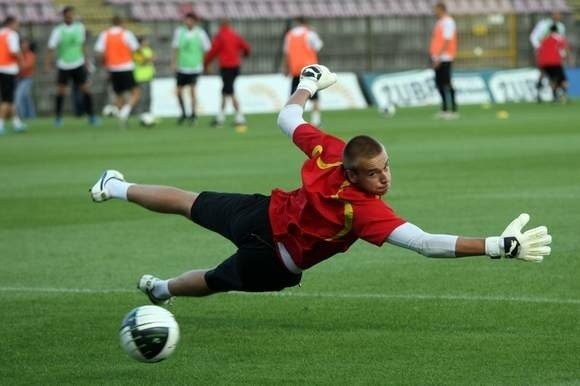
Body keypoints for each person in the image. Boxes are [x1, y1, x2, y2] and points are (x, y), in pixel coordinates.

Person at [89, 64, 552, 304]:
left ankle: (123, 203)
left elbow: (287, 115)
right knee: (206, 256)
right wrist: (496, 245)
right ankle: (156, 276)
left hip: (266, 220)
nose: (385, 177)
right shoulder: (363, 209)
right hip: (274, 249)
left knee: (198, 227)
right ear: (353, 173)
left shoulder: (332, 150)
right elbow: (427, 243)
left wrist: (308, 82)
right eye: (375, 172)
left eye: (387, 166)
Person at [45, 6, 98, 127]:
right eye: (68, 15)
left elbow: (82, 45)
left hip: (78, 63)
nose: (70, 17)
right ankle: (58, 117)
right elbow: (50, 48)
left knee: (86, 89)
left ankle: (91, 116)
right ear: (64, 16)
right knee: (61, 91)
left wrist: (86, 61)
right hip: (64, 64)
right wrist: (47, 64)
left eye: (72, 15)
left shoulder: (79, 27)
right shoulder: (58, 30)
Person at [204, 18, 251, 128]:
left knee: (229, 91)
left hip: (226, 67)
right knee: (226, 91)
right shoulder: (234, 35)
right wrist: (245, 55)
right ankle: (221, 117)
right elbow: (246, 48)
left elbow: (213, 51)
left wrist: (206, 64)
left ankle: (239, 117)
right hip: (235, 67)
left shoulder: (220, 36)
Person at [94, 16, 140, 126]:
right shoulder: (126, 34)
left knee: (119, 95)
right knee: (136, 93)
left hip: (112, 69)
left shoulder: (105, 34)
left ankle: (121, 120)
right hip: (126, 67)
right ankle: (125, 111)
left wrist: (104, 64)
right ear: (122, 22)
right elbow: (136, 49)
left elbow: (99, 52)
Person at [283, 17, 324, 127]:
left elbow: (286, 53)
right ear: (306, 23)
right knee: (314, 96)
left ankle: (294, 121)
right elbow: (318, 46)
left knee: (294, 97)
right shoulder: (310, 34)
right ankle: (316, 121)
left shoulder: (289, 35)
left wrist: (286, 68)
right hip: (309, 70)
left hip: (296, 70)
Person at [171, 12, 211, 125]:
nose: (187, 22)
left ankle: (193, 115)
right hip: (182, 66)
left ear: (194, 21)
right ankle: (183, 113)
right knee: (178, 92)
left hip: (195, 67)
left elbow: (207, 49)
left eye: (189, 20)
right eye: (186, 20)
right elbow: (175, 48)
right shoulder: (179, 31)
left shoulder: (200, 33)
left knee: (193, 91)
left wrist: (205, 63)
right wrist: (174, 63)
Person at [529, 12, 566, 103]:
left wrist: (561, 53)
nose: (557, 15)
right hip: (542, 52)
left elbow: (561, 41)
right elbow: (533, 37)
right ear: (552, 14)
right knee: (543, 74)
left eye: (559, 14)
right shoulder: (543, 24)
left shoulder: (561, 26)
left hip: (555, 55)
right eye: (556, 13)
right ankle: (539, 93)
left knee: (551, 75)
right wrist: (538, 48)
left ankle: (554, 94)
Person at [430, 2, 458, 119]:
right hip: (437, 57)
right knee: (439, 83)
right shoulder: (440, 22)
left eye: (436, 10)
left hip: (445, 57)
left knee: (446, 83)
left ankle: (454, 109)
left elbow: (446, 40)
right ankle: (445, 109)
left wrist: (439, 57)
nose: (434, 12)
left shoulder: (448, 22)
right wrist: (435, 56)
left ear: (441, 9)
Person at [0, 16, 25, 135]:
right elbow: (14, 51)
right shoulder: (12, 34)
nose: (17, 26)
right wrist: (22, 62)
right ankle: (1, 124)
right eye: (16, 24)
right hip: (8, 69)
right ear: (10, 23)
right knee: (7, 99)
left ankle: (16, 122)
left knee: (10, 98)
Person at [537, 24, 570, 103]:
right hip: (555, 62)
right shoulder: (559, 38)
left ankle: (554, 96)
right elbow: (564, 50)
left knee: (552, 79)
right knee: (563, 80)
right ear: (557, 30)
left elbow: (539, 50)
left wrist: (540, 64)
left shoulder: (544, 39)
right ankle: (564, 95)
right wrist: (565, 58)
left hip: (544, 62)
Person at [133, 35, 155, 116]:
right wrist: (148, 59)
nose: (147, 42)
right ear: (141, 42)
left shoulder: (148, 50)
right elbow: (142, 62)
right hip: (140, 77)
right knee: (142, 96)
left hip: (148, 76)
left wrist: (148, 59)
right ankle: (141, 113)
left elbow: (152, 59)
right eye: (145, 40)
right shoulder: (137, 51)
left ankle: (147, 113)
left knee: (148, 96)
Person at [15, 37, 36, 121]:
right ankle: (29, 116)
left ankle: (27, 116)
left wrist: (19, 64)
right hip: (18, 78)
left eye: (26, 44)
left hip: (27, 78)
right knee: (26, 97)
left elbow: (26, 66)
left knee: (20, 96)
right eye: (23, 43)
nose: (25, 45)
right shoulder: (18, 54)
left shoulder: (31, 55)